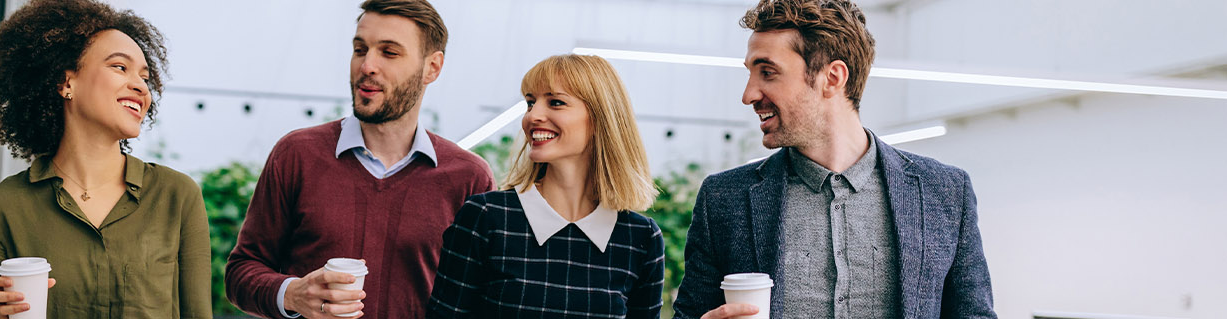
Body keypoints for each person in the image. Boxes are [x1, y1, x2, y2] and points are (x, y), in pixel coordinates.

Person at [672, 0, 996, 318]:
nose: (749, 94)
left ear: (832, 77)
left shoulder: (945, 192)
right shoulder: (724, 200)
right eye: (751, 73)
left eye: (767, 72)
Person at [222, 0, 494, 318]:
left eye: (389, 52)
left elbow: (484, 298)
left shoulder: (469, 178)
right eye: (360, 49)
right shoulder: (297, 154)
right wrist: (293, 294)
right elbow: (241, 272)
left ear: (432, 67)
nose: (367, 66)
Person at [0, 0, 210, 318]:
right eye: (120, 67)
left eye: (145, 77)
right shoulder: (1, 210)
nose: (140, 86)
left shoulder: (176, 195)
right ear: (67, 83)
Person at [426, 54, 666, 319]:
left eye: (556, 102)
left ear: (600, 118)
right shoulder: (486, 218)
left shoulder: (641, 238)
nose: (532, 116)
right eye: (530, 103)